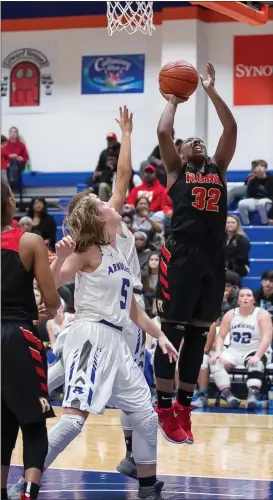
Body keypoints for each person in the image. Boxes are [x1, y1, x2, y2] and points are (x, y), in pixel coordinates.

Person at [154, 61, 237, 444]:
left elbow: (230, 129)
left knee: (198, 335)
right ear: (182, 152)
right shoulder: (176, 171)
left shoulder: (218, 169)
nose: (197, 142)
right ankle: (163, 405)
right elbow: (163, 131)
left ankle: (185, 408)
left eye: (199, 141)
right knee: (171, 334)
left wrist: (211, 91)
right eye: (191, 142)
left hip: (212, 258)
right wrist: (173, 98)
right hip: (181, 255)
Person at [1, 179, 60, 500]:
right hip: (18, 335)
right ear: (11, 201)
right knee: (34, 424)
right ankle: (28, 491)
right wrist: (47, 310)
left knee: (2, 424)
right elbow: (52, 302)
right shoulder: (31, 242)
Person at [210, 289, 272, 410]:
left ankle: (252, 396)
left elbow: (267, 337)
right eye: (242, 295)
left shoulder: (262, 314)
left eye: (249, 295)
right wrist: (218, 352)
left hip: (255, 349)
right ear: (238, 300)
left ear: (253, 300)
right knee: (215, 362)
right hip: (234, 351)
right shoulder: (230, 314)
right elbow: (221, 336)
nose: (245, 298)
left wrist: (258, 355)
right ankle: (228, 396)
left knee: (256, 363)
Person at [238, 160, 272, 225]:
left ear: (265, 168)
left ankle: (264, 222)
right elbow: (249, 194)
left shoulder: (271, 179)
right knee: (241, 203)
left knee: (261, 203)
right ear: (254, 170)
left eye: (262, 166)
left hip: (268, 201)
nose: (259, 168)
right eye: (257, 166)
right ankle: (246, 223)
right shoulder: (252, 181)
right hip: (255, 200)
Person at [225, 215, 250, 279]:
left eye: (233, 222)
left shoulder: (242, 239)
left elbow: (242, 258)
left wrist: (227, 264)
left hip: (239, 266)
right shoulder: (223, 238)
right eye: (228, 222)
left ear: (237, 224)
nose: (230, 224)